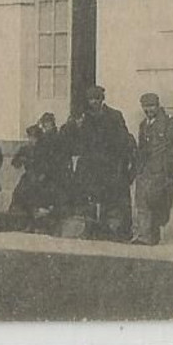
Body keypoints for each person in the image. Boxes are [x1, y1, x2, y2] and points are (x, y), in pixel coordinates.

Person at [64, 85, 136, 239]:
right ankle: (90, 229)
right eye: (91, 99)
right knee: (88, 198)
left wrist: (120, 161)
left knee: (110, 199)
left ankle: (111, 231)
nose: (94, 102)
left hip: (109, 164)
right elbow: (74, 141)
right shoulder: (84, 118)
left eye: (97, 99)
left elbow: (123, 139)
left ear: (102, 99)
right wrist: (75, 126)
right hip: (90, 165)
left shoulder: (115, 116)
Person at [132, 92, 173, 246]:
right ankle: (143, 236)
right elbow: (142, 148)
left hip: (161, 172)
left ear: (158, 106)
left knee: (156, 202)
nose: (148, 110)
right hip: (145, 170)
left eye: (151, 106)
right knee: (142, 202)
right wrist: (138, 168)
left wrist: (168, 166)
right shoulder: (144, 125)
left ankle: (152, 236)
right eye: (145, 106)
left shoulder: (170, 124)